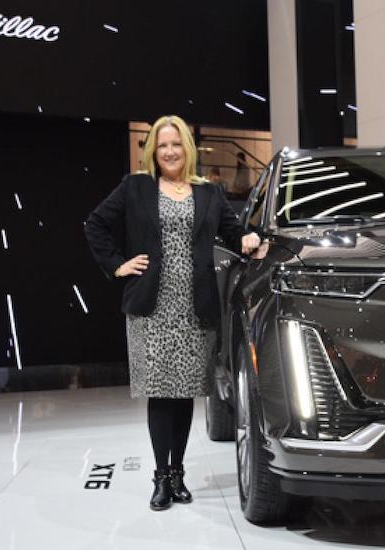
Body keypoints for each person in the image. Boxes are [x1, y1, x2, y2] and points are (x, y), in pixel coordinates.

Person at [84, 115, 260, 511]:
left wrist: (249, 238)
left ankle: (178, 473)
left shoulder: (209, 192)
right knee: (160, 393)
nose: (169, 151)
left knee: (184, 395)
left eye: (176, 144)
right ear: (153, 151)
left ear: (187, 149)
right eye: (162, 145)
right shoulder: (136, 186)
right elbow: (95, 223)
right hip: (152, 307)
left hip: (195, 307)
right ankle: (161, 478)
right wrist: (116, 264)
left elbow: (234, 234)